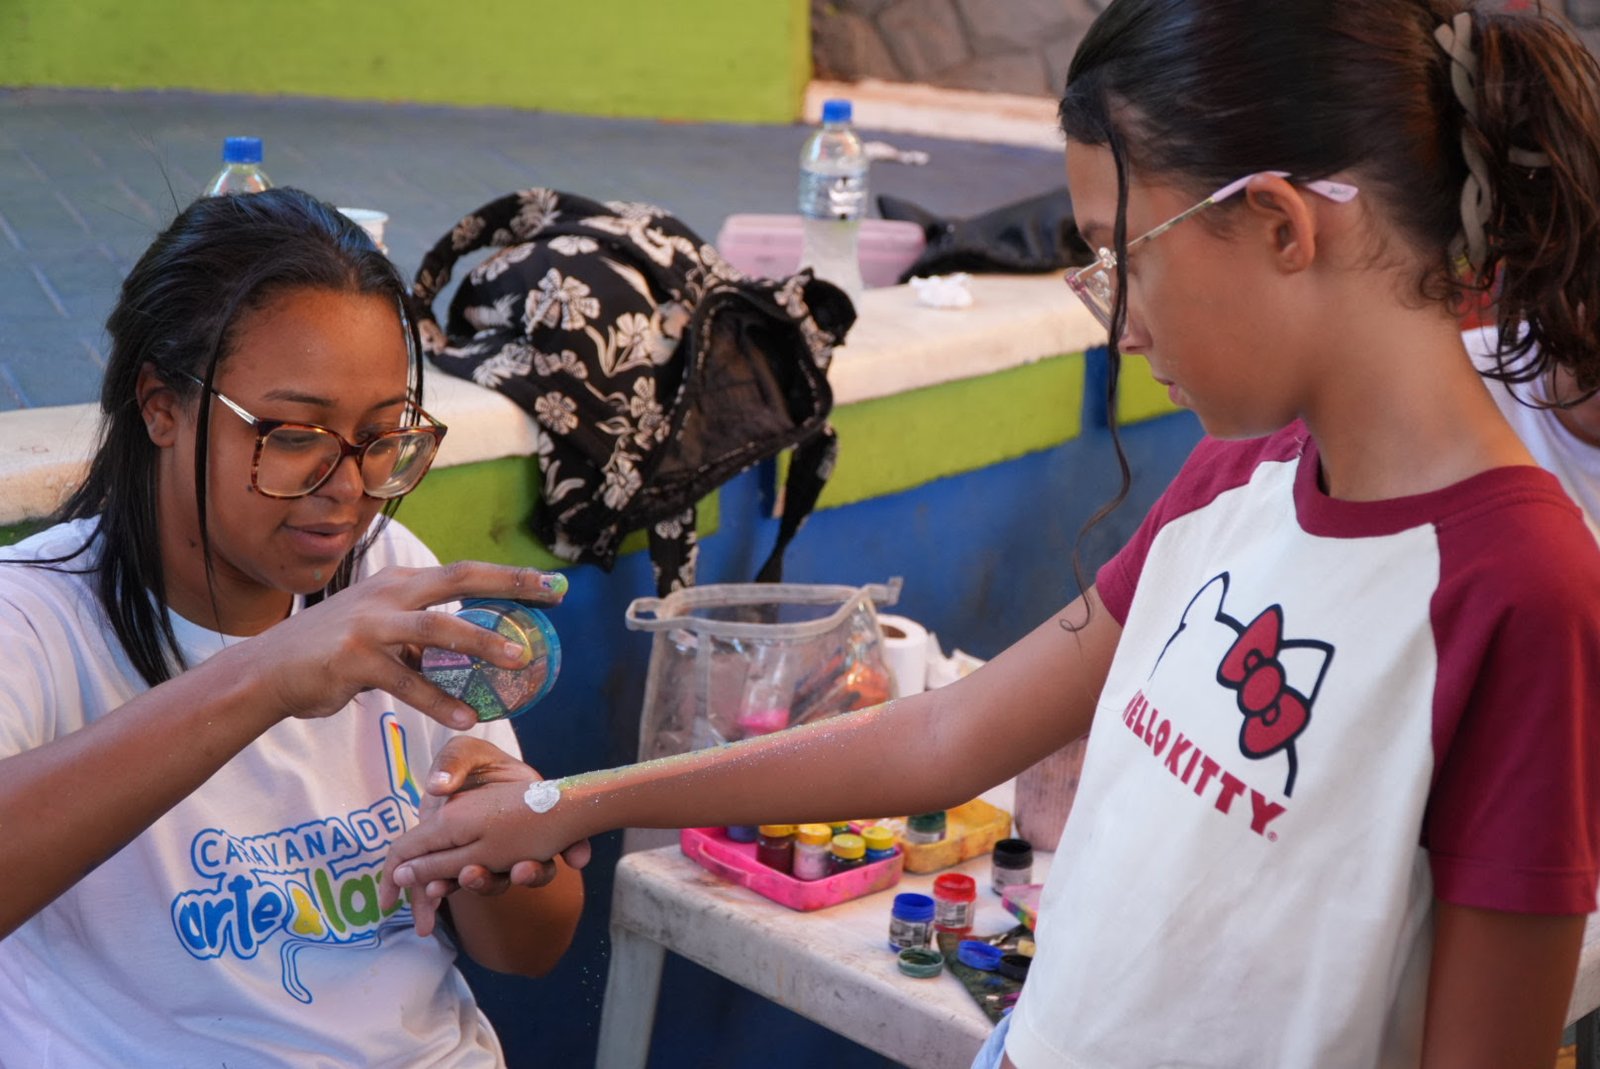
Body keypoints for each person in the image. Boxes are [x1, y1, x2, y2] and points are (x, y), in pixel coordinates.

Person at [382, 2, 1600, 1066]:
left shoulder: (1519, 591)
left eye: (1120, 258)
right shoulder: (1240, 474)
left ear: (1281, 224)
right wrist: (571, 800)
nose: (1116, 321)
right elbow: (945, 733)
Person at [0, 187, 584, 1066]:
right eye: (296, 434)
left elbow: (527, 952)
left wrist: (503, 853)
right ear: (161, 405)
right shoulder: (34, 620)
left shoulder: (388, 570)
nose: (347, 488)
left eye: (382, 436)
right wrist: (267, 676)